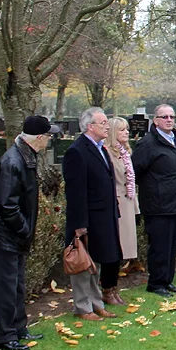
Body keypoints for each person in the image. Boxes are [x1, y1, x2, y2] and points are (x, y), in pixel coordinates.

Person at [0, 116, 58, 350]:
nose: (50, 139)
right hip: (5, 236)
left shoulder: (26, 157)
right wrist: (24, 229)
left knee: (17, 285)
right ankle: (5, 336)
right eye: (48, 135)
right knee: (5, 287)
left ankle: (19, 327)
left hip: (14, 236)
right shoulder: (13, 162)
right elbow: (7, 204)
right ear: (38, 138)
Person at [62, 107, 122, 319]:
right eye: (103, 122)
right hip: (87, 218)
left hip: (103, 216)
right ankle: (82, 307)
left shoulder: (101, 148)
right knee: (82, 263)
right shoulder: (77, 151)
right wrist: (79, 223)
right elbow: (76, 191)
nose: (107, 126)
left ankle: (96, 303)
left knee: (96, 261)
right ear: (90, 126)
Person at [132, 104, 176, 296]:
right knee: (159, 246)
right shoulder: (148, 143)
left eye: (171, 116)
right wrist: (155, 189)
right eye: (164, 117)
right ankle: (156, 282)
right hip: (158, 205)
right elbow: (136, 171)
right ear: (155, 120)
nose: (168, 120)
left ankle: (167, 280)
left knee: (172, 245)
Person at [103, 117, 139, 305]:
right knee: (114, 249)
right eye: (121, 130)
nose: (126, 132)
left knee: (123, 248)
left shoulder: (125, 152)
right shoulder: (108, 153)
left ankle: (114, 287)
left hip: (127, 201)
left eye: (127, 129)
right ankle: (108, 288)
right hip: (116, 203)